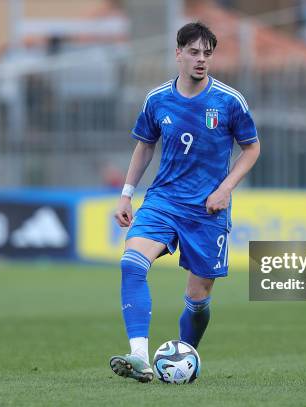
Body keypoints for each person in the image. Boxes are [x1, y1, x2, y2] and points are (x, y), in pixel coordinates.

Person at [110, 22, 260, 382]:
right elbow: (145, 144)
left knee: (198, 298)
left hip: (207, 211)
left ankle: (182, 357)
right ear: (178, 53)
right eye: (193, 52)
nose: (201, 60)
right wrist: (127, 193)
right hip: (163, 201)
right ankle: (139, 357)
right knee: (132, 264)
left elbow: (252, 147)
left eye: (207, 53)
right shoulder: (157, 99)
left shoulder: (229, 101)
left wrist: (225, 189)